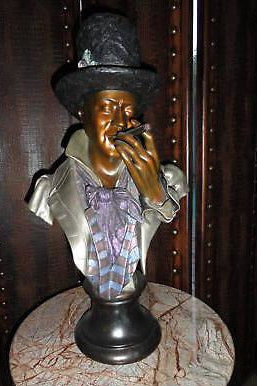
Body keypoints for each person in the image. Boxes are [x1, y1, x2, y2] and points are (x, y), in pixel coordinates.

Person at [28, 13, 187, 300]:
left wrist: (156, 194)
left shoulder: (170, 181)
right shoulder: (49, 189)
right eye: (106, 108)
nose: (119, 122)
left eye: (128, 110)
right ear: (82, 112)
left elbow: (163, 210)